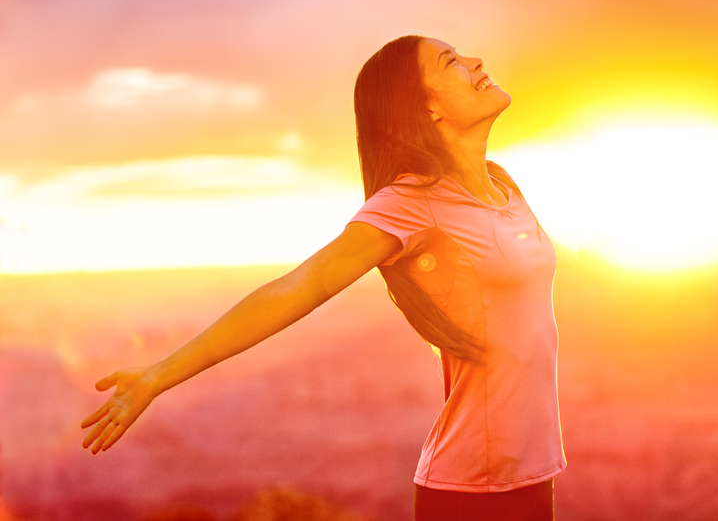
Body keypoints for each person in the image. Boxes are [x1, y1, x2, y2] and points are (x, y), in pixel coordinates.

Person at [81, 35, 566, 521]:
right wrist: (157, 375)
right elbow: (300, 287)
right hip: (472, 489)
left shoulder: (503, 184)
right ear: (428, 108)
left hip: (532, 473)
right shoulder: (412, 203)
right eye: (451, 62)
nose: (475, 60)